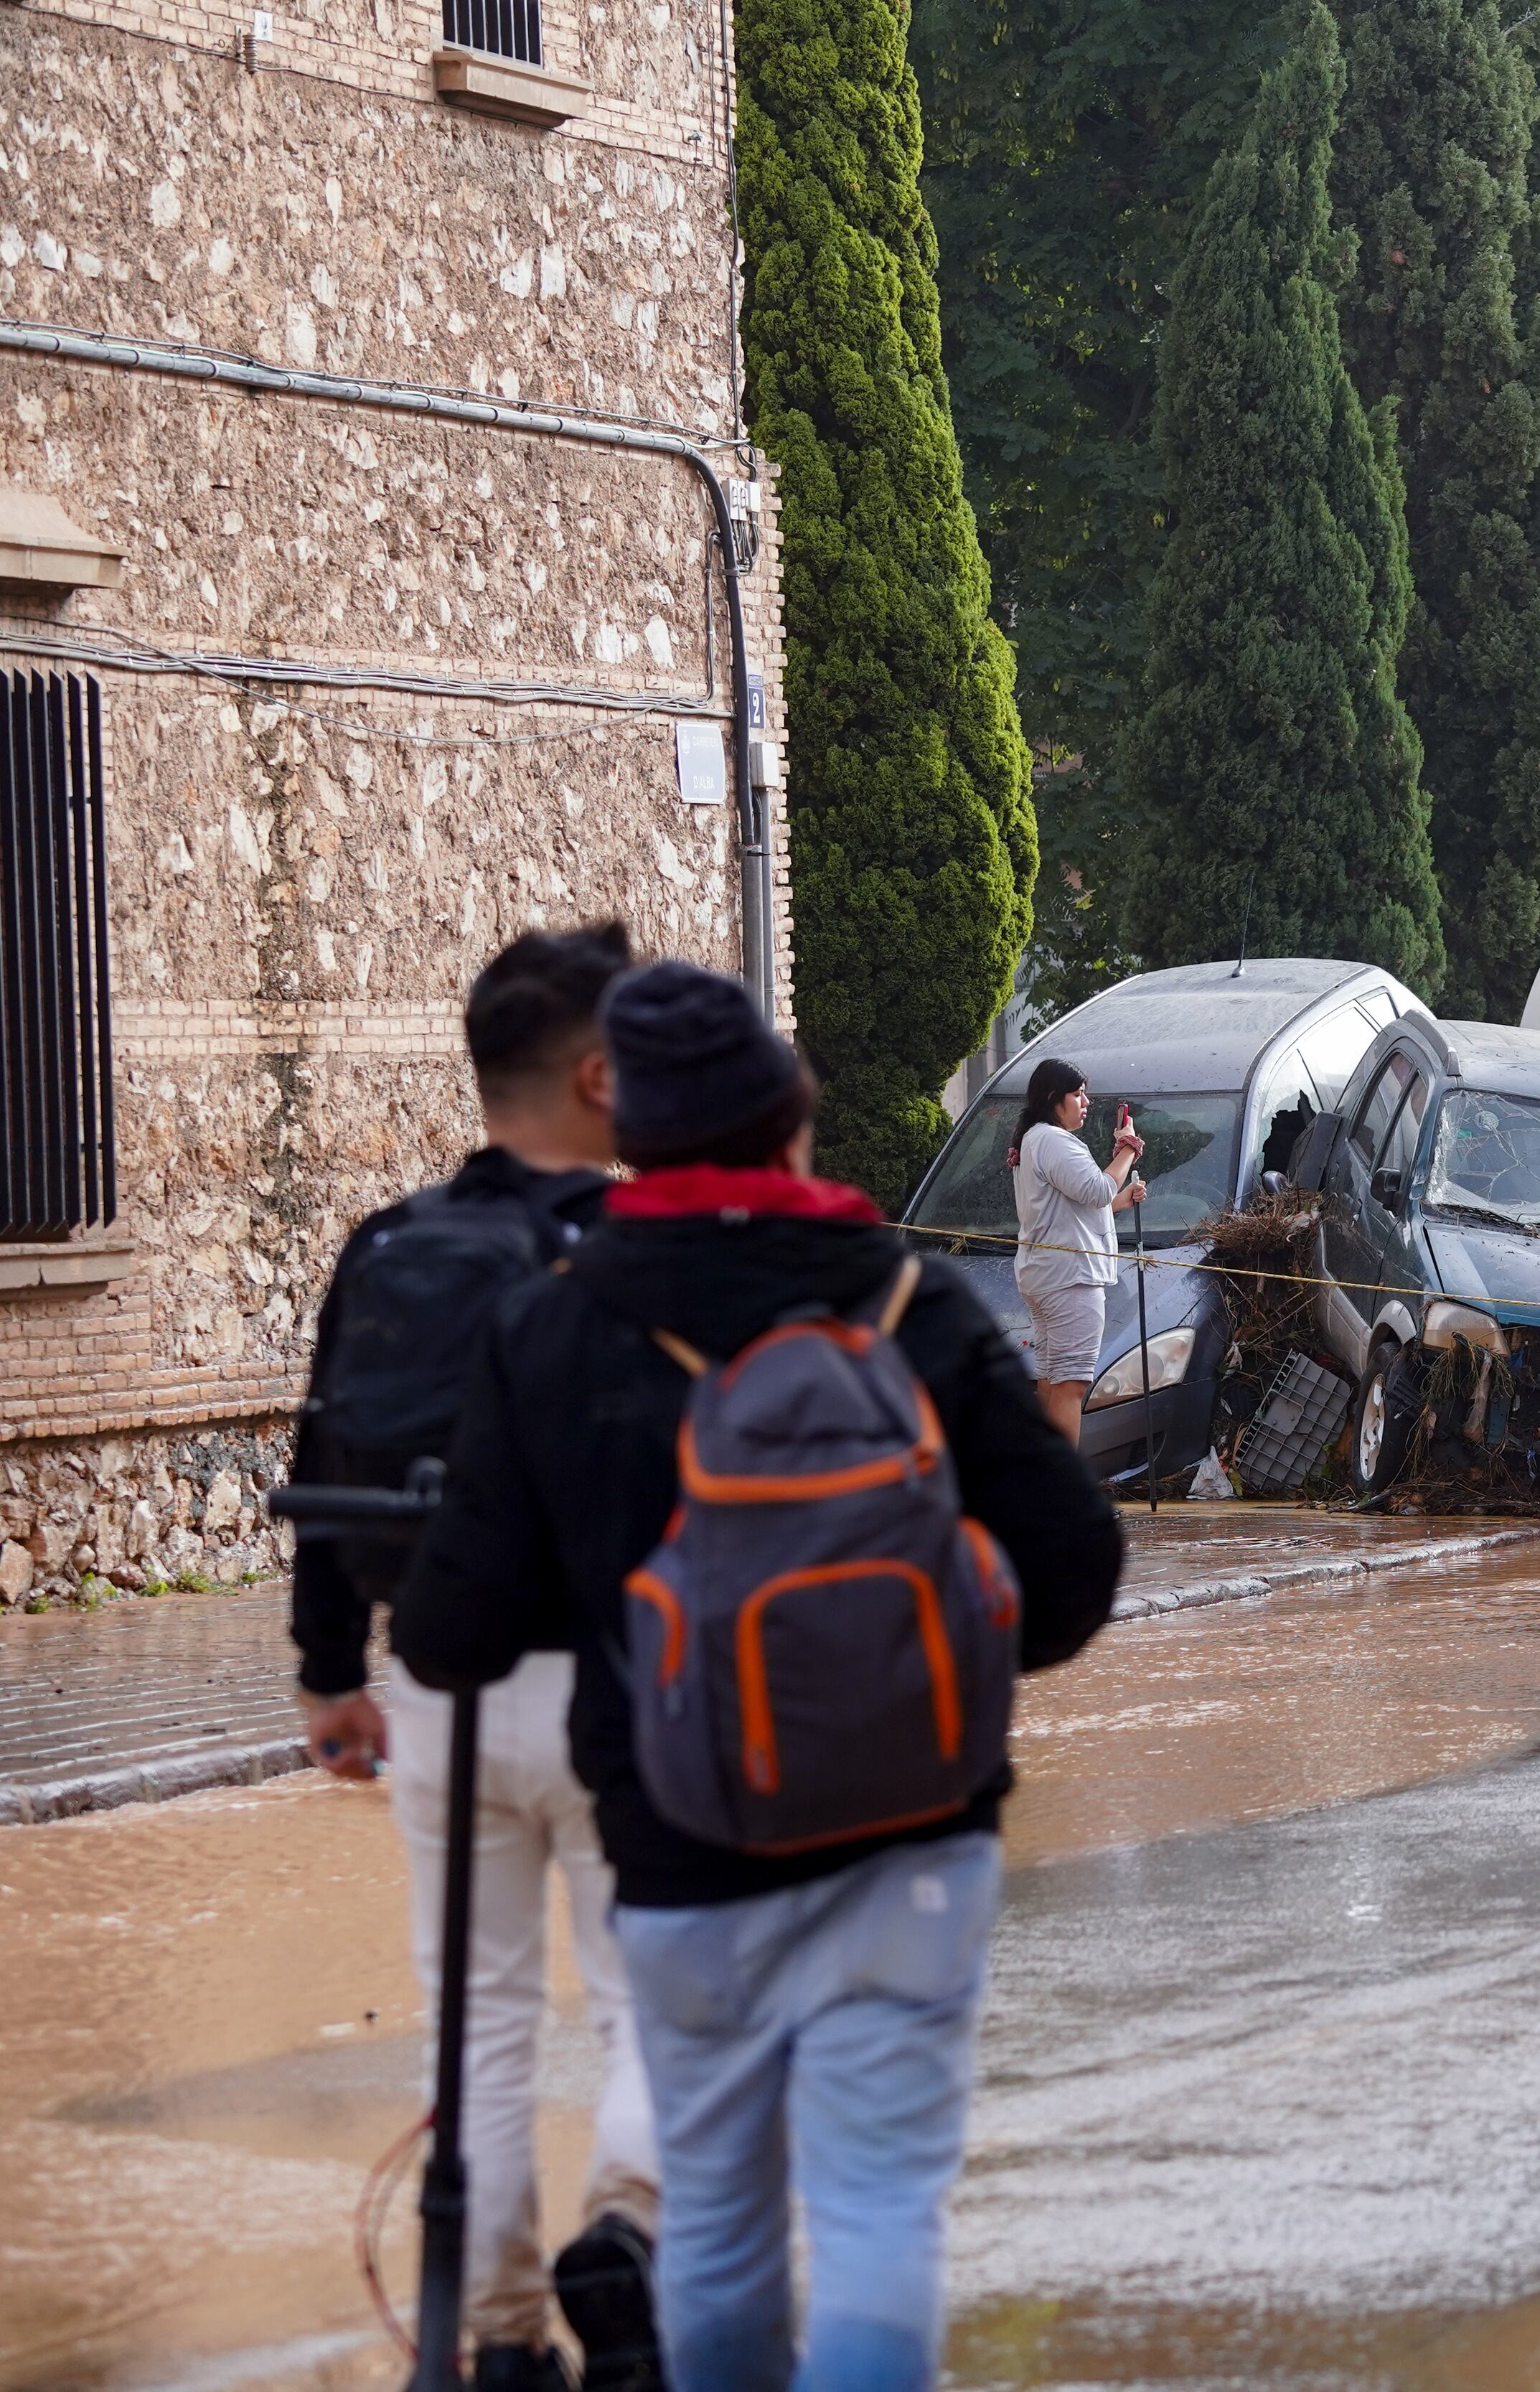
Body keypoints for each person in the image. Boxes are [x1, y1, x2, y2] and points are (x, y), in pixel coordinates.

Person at [394, 961, 1125, 2392]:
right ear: (791, 1118)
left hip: (679, 1845)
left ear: (634, 1136)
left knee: (719, 2230)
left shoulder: (552, 1326)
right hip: (914, 1838)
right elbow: (1077, 1563)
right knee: (876, 2216)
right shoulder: (909, 1303)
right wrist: (936, 1669)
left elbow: (452, 1632)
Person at [288, 923, 666, 2392]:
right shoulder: (642, 1253)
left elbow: (323, 1455)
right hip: (620, 1692)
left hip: (438, 1691)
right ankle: (627, 2239)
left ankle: (502, 2339)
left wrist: (332, 1672)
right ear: (596, 1075)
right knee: (654, 2007)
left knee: (481, 2025)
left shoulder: (389, 1245)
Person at [1007, 1060, 1145, 1440]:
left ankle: (1045, 1471)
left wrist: (1120, 1202)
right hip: (1070, 1279)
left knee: (1052, 1381)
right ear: (1054, 1097)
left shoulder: (1035, 1139)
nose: (1086, 1102)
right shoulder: (1053, 1140)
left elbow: (1071, 1208)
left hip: (1047, 1275)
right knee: (1071, 1384)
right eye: (1078, 1094)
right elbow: (1097, 1190)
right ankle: (1062, 1477)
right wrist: (1128, 1149)